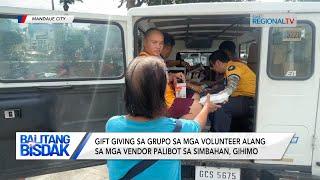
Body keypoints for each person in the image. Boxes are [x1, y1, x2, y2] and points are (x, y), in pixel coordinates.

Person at [106, 56, 220, 180]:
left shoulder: (112, 125)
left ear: (127, 91)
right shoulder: (177, 128)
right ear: (161, 92)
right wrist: (206, 107)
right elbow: (198, 125)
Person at [139, 28, 202, 119]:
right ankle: (174, 128)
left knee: (195, 95)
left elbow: (162, 75)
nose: (158, 46)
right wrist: (173, 81)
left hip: (170, 95)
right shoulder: (145, 60)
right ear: (145, 42)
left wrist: (173, 76)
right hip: (164, 103)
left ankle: (179, 119)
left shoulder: (156, 58)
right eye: (154, 42)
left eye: (161, 43)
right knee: (197, 106)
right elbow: (154, 80)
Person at [209, 50, 256, 132]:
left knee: (220, 107)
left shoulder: (232, 67)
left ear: (218, 63)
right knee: (213, 104)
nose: (214, 69)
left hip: (249, 101)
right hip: (243, 99)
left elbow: (232, 85)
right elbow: (223, 85)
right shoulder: (231, 68)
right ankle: (214, 129)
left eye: (213, 66)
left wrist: (221, 96)